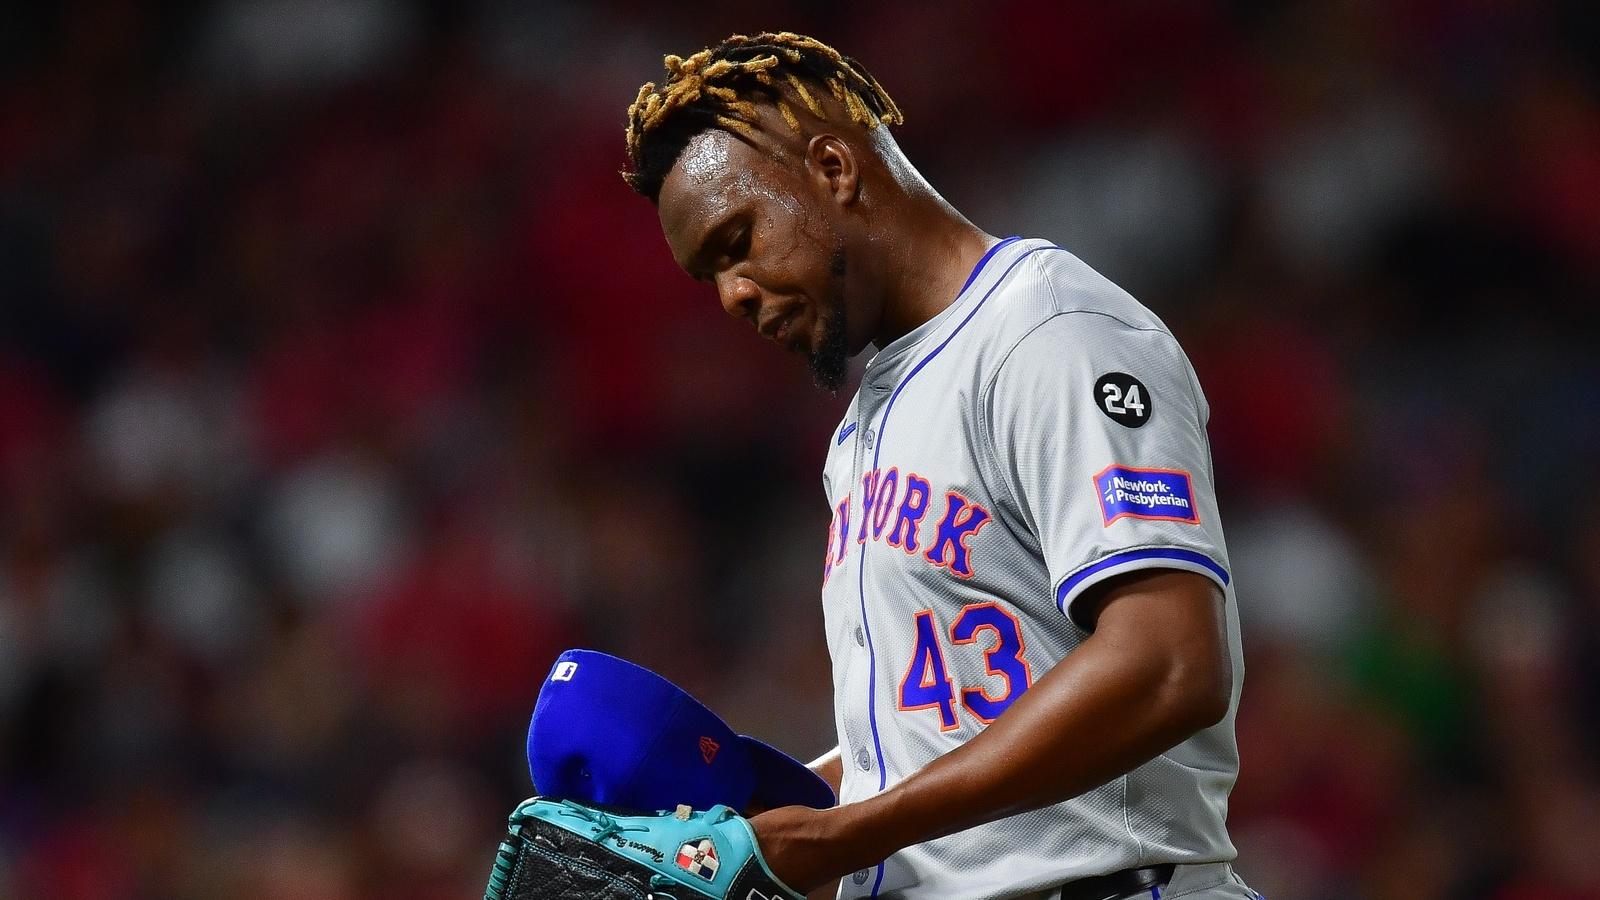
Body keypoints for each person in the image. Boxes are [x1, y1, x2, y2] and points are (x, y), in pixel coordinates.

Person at [622, 32, 1257, 900]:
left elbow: (1170, 663)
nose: (733, 293)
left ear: (835, 169)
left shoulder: (1048, 334)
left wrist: (844, 834)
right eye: (710, 277)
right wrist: (743, 839)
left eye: (738, 240)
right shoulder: (862, 428)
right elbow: (924, 736)